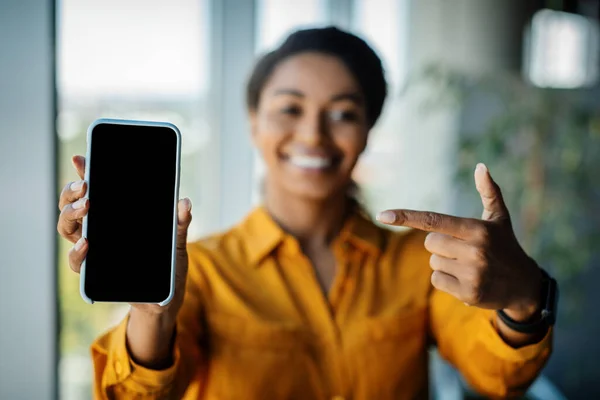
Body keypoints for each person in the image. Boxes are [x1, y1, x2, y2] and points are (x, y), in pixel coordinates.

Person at [57, 26, 555, 399]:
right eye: (290, 109)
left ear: (368, 130)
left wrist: (523, 299)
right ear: (254, 123)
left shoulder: (417, 262)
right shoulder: (200, 272)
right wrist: (151, 314)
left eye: (343, 113)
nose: (314, 135)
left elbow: (499, 375)